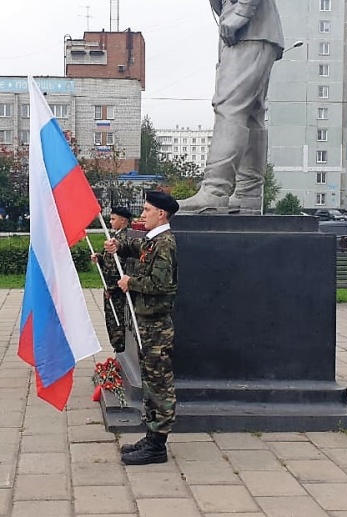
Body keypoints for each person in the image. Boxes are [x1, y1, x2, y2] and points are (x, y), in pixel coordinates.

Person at [179, 0, 284, 213]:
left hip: (248, 28)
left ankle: (215, 190)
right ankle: (248, 192)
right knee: (251, 114)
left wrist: (242, 11)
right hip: (249, 29)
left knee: (229, 108)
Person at [105, 191, 179, 465]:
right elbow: (139, 249)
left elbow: (162, 284)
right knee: (149, 381)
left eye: (147, 210)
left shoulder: (165, 243)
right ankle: (151, 437)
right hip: (147, 324)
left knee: (159, 385)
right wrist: (119, 248)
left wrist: (130, 283)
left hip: (157, 327)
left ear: (161, 214)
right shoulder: (153, 241)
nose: (142, 214)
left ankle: (157, 445)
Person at [91, 207, 133, 354]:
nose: (110, 221)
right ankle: (118, 350)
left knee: (117, 323)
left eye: (113, 219)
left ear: (123, 220)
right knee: (111, 322)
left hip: (117, 291)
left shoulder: (124, 239)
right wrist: (100, 258)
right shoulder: (115, 236)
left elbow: (120, 268)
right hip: (111, 289)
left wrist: (110, 288)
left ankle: (120, 350)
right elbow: (110, 262)